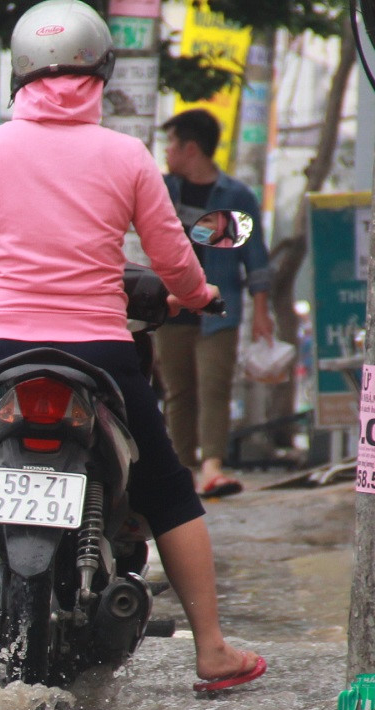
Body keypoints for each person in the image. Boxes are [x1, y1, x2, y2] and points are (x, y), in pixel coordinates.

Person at [0, 0, 263, 705]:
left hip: (0, 352)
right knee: (168, 490)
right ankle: (212, 649)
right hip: (102, 356)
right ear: (102, 70)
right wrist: (196, 297)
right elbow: (172, 257)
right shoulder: (126, 155)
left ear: (20, 72)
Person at [157, 107, 274, 498]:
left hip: (217, 309)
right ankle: (183, 468)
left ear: (191, 147)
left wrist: (261, 310)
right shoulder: (162, 190)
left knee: (214, 387)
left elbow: (255, 258)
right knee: (178, 392)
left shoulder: (236, 196)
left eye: (171, 143)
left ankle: (212, 468)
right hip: (170, 306)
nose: (167, 151)